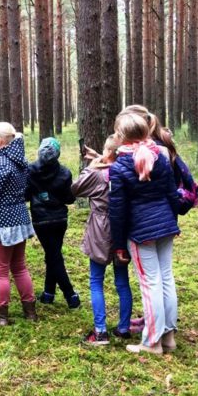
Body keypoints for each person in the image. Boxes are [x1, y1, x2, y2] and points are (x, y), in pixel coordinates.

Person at [110, 112, 181, 355]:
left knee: (151, 284)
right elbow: (172, 194)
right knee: (166, 278)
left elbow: (117, 211)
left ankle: (152, 342)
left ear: (121, 136)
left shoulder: (119, 167)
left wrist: (119, 245)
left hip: (141, 233)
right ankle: (168, 336)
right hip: (165, 226)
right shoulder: (160, 156)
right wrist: (171, 222)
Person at [72, 135, 133, 346]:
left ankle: (100, 332)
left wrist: (91, 167)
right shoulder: (127, 171)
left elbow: (76, 188)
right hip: (123, 228)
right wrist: (100, 157)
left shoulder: (97, 175)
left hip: (100, 229)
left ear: (109, 152)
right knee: (122, 281)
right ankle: (124, 328)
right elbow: (113, 168)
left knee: (96, 280)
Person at [0, 122, 37, 325]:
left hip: (1, 222)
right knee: (20, 267)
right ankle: (30, 312)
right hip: (20, 219)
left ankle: (1, 315)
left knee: (0, 270)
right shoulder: (22, 162)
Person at [25, 137, 80, 308]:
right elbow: (69, 199)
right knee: (53, 254)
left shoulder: (29, 171)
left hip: (40, 220)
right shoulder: (65, 173)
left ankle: (63, 294)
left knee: (53, 255)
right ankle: (59, 294)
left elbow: (26, 195)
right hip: (59, 220)